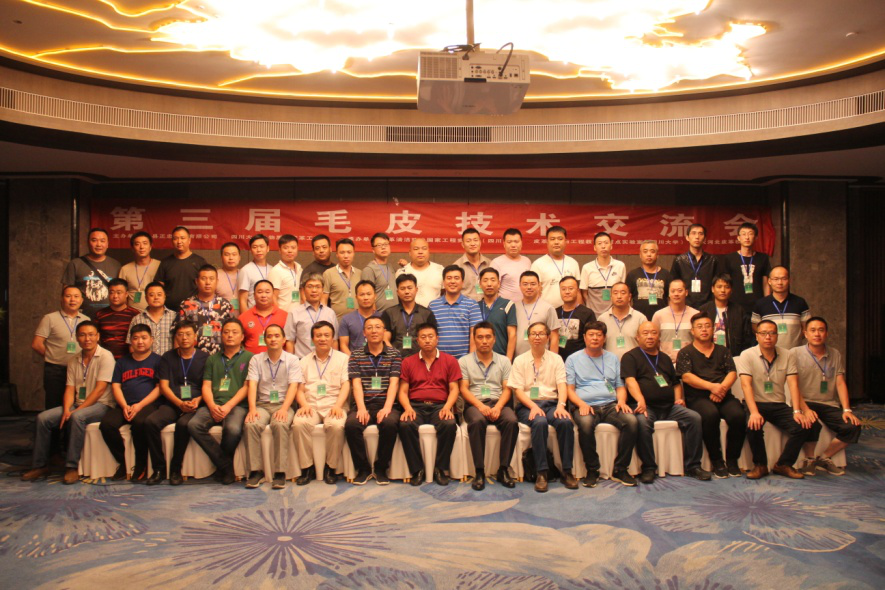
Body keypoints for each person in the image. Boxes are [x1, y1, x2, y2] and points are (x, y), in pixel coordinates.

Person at [21, 321, 115, 485]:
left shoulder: (106, 357)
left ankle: (72, 467)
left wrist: (75, 411)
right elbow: (70, 389)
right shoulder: (73, 360)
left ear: (98, 337)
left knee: (77, 417)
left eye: (91, 335)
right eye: (83, 335)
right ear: (77, 338)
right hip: (78, 404)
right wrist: (66, 410)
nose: (87, 339)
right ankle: (40, 465)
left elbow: (100, 390)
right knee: (43, 418)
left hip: (101, 404)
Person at [623, 320, 711, 484]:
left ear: (659, 336)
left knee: (694, 418)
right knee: (642, 423)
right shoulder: (630, 357)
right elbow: (630, 381)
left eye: (654, 333)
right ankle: (649, 467)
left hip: (670, 407)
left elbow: (676, 383)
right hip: (646, 407)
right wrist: (640, 400)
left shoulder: (664, 358)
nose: (650, 336)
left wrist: (678, 399)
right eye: (645, 333)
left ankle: (693, 466)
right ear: (637, 337)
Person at [738, 319, 816, 479]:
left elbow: (793, 384)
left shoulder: (787, 355)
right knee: (753, 426)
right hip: (756, 403)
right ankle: (760, 465)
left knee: (803, 426)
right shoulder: (747, 355)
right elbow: (746, 385)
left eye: (772, 333)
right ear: (757, 336)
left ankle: (783, 464)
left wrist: (797, 411)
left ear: (777, 335)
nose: (768, 337)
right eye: (763, 333)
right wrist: (754, 412)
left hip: (778, 404)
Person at [565, 321, 637, 487]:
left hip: (611, 404)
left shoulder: (612, 358)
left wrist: (621, 401)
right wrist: (581, 404)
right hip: (585, 405)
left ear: (604, 338)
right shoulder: (573, 359)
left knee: (632, 421)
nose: (595, 338)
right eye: (591, 335)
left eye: (599, 335)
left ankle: (620, 469)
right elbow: (569, 389)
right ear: (584, 337)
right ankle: (592, 470)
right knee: (585, 424)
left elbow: (620, 386)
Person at [509, 322, 577, 492]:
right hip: (527, 405)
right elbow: (518, 391)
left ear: (548, 337)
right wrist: (532, 406)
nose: (537, 337)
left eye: (541, 334)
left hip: (552, 404)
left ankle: (567, 471)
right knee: (539, 422)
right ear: (528, 337)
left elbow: (562, 385)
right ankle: (542, 472)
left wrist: (561, 406)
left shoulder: (556, 359)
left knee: (565, 422)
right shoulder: (520, 360)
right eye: (533, 333)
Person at [676, 312, 745, 478]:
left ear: (713, 329)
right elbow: (686, 377)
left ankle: (732, 460)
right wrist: (711, 387)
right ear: (692, 331)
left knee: (738, 415)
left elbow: (732, 373)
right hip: (698, 397)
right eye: (699, 327)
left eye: (707, 326)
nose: (704, 329)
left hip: (723, 394)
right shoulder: (685, 352)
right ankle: (717, 461)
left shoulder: (723, 350)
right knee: (710, 415)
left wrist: (721, 389)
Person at [792, 317, 861, 476]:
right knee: (810, 423)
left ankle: (824, 458)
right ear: (805, 334)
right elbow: (793, 385)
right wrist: (805, 409)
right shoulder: (795, 353)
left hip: (829, 403)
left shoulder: (834, 354)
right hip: (805, 402)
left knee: (852, 426)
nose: (817, 334)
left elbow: (840, 383)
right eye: (813, 330)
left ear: (827, 333)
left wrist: (847, 409)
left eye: (821, 330)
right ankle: (809, 460)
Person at [189, 318, 253, 485]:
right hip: (214, 403)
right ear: (221, 335)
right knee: (194, 425)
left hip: (237, 405)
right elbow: (206, 386)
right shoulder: (212, 359)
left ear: (242, 337)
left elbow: (247, 387)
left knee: (232, 429)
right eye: (226, 332)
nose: (230, 335)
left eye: (234, 332)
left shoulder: (250, 358)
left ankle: (222, 468)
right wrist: (212, 406)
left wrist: (228, 406)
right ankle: (225, 465)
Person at [145, 321, 209, 485]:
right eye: (180, 335)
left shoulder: (205, 358)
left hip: (196, 404)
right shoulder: (167, 357)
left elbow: (208, 386)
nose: (184, 338)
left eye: (188, 334)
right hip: (173, 403)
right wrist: (179, 403)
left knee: (183, 425)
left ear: (195, 336)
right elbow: (164, 387)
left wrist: (198, 400)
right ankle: (159, 469)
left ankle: (175, 469)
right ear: (175, 338)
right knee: (151, 422)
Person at [397, 323, 461, 486]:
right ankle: (417, 469)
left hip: (440, 406)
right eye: (423, 337)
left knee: (449, 424)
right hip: (416, 405)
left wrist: (447, 407)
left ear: (437, 339)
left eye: (430, 337)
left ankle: (440, 468)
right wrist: (407, 408)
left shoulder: (450, 360)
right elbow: (402, 391)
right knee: (405, 424)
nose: (427, 340)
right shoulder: (408, 362)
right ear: (417, 340)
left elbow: (454, 389)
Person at [459, 322, 518, 490]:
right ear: (474, 339)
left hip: (498, 402)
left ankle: (503, 469)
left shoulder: (504, 361)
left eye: (488, 337)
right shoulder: (464, 361)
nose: (484, 341)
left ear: (494, 339)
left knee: (512, 421)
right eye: (480, 337)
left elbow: (507, 389)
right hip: (475, 404)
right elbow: (463, 388)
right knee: (477, 421)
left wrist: (498, 407)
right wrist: (481, 406)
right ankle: (479, 471)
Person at [99, 324, 162, 481]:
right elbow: (116, 386)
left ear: (152, 340)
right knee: (106, 424)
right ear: (130, 341)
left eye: (144, 338)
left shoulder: (158, 360)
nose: (140, 341)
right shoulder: (122, 362)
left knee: (140, 422)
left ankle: (141, 465)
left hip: (148, 405)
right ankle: (123, 462)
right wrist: (124, 406)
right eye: (136, 338)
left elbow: (159, 388)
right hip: (125, 405)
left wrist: (139, 406)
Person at [243, 324, 302, 489]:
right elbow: (252, 385)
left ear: (283, 340)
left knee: (280, 424)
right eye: (269, 336)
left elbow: (293, 386)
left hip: (283, 404)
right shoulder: (256, 359)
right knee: (251, 424)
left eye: (277, 336)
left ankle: (280, 472)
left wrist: (284, 409)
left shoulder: (292, 360)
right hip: (262, 404)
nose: (273, 339)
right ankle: (256, 472)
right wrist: (252, 409)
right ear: (264, 340)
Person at [345, 316, 403, 485]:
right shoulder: (356, 355)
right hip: (364, 403)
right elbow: (356, 384)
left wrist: (387, 408)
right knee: (351, 425)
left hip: (386, 404)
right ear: (364, 333)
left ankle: (381, 468)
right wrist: (361, 408)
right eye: (369, 328)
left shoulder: (394, 354)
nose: (374, 331)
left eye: (378, 327)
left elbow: (394, 383)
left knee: (390, 423)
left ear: (384, 331)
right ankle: (363, 468)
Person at [291, 321, 350, 485]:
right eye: (318, 336)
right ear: (312, 339)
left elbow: (346, 385)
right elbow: (299, 388)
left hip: (334, 405)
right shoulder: (303, 361)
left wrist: (338, 406)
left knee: (336, 426)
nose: (322, 339)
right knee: (299, 424)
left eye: (326, 335)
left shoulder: (343, 359)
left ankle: (330, 467)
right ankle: (307, 468)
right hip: (311, 405)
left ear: (332, 338)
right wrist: (304, 405)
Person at [33, 286, 91, 415]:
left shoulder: (86, 320)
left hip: (79, 370)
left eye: (76, 296)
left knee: (77, 405)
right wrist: (52, 356)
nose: (72, 300)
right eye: (68, 296)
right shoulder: (49, 318)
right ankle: (54, 429)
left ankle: (71, 428)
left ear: (81, 300)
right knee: (54, 406)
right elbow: (37, 344)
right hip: (55, 370)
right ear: (61, 299)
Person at [62, 227, 121, 318]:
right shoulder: (75, 264)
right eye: (94, 240)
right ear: (88, 243)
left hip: (109, 318)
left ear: (107, 244)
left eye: (102, 241)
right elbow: (66, 294)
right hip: (81, 318)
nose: (98, 244)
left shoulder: (116, 265)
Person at [178, 264, 234, 355]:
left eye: (211, 279)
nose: (208, 282)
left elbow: (233, 331)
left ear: (217, 281)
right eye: (203, 279)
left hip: (220, 357)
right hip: (193, 356)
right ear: (196, 281)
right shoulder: (186, 305)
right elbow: (178, 333)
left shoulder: (225, 305)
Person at [429, 265, 483, 359]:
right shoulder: (433, 306)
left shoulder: (472, 304)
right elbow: (429, 333)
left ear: (462, 282)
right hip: (438, 360)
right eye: (449, 278)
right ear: (443, 282)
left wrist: (471, 360)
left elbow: (474, 334)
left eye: (456, 278)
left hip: (464, 361)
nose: (452, 281)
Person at [751, 265, 811, 350]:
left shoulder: (800, 302)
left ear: (789, 280)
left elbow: (806, 328)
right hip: (770, 352)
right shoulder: (760, 304)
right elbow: (755, 328)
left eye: (784, 278)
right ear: (769, 281)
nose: (780, 282)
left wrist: (795, 340)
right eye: (776, 279)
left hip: (795, 352)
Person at [284, 273, 340, 358]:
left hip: (326, 361)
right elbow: (290, 341)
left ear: (323, 290)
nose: (314, 290)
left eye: (318, 287)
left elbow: (334, 340)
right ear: (303, 290)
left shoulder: (330, 313)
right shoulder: (294, 313)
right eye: (310, 286)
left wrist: (334, 360)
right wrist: (291, 363)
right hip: (302, 360)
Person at [721, 221, 772, 314]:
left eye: (750, 234)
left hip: (757, 304)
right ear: (738, 238)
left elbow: (766, 283)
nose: (747, 237)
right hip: (735, 304)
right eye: (743, 234)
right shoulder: (729, 258)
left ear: (756, 237)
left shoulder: (762, 258)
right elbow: (726, 282)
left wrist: (767, 302)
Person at [381, 273, 437, 358]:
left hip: (421, 360)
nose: (406, 292)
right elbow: (385, 339)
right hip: (395, 360)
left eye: (410, 288)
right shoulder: (388, 313)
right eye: (402, 288)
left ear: (416, 290)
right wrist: (394, 356)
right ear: (397, 292)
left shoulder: (427, 313)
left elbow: (432, 339)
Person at [698, 274, 752, 358]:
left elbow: (746, 337)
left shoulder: (739, 311)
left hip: (734, 356)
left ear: (731, 290)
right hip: (708, 356)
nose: (723, 290)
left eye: (727, 287)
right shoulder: (704, 310)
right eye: (719, 287)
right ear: (712, 289)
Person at [154, 226, 207, 310]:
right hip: (169, 310)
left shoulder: (200, 262)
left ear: (189, 240)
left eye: (182, 238)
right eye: (176, 238)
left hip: (193, 310)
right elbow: (158, 287)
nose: (179, 241)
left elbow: (205, 286)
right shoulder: (165, 262)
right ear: (172, 241)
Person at [670, 223, 721, 309]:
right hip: (685, 305)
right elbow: (673, 284)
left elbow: (717, 284)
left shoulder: (712, 260)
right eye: (693, 233)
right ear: (687, 237)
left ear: (704, 238)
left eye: (700, 234)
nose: (697, 237)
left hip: (708, 305)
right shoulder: (679, 260)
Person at [532, 225, 581, 309]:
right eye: (552, 239)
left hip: (570, 312)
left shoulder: (573, 263)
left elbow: (578, 292)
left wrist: (579, 311)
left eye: (560, 239)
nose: (556, 242)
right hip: (546, 311)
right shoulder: (537, 264)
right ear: (547, 242)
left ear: (565, 241)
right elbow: (535, 292)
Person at [580, 232, 627, 317]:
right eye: (599, 243)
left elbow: (623, 290)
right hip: (593, 315)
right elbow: (584, 293)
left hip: (615, 315)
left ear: (611, 246)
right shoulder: (587, 267)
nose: (603, 246)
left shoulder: (620, 266)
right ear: (595, 247)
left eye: (606, 243)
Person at [652, 279, 699, 364]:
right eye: (673, 291)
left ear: (686, 292)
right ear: (668, 293)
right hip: (665, 362)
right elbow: (654, 340)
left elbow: (699, 340)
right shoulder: (659, 315)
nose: (676, 294)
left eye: (680, 291)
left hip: (690, 362)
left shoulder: (695, 314)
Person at [514, 271, 559, 357]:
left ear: (539, 286)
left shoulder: (548, 308)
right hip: (518, 359)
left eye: (533, 284)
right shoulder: (513, 307)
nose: (529, 287)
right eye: (525, 284)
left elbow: (554, 336)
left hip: (543, 359)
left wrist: (553, 359)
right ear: (520, 286)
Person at [597, 282, 647, 360]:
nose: (619, 296)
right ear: (611, 297)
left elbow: (645, 345)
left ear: (629, 297)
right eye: (615, 293)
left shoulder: (640, 318)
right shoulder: (602, 319)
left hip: (634, 363)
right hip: (609, 363)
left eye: (623, 293)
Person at [127, 282, 178, 355]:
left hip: (169, 361)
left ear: (164, 296)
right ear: (146, 298)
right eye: (151, 295)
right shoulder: (137, 319)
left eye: (159, 294)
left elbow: (179, 342)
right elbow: (132, 345)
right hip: (145, 361)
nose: (156, 297)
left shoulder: (174, 317)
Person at [94, 278, 140, 359]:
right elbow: (95, 338)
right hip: (104, 359)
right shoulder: (100, 314)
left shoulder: (135, 315)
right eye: (111, 292)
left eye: (119, 292)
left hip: (128, 360)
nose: (115, 296)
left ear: (126, 294)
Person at [239, 280, 288, 354]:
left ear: (273, 295)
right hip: (250, 359)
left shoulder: (285, 316)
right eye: (260, 292)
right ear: (254, 295)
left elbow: (289, 342)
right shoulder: (243, 317)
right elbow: (239, 343)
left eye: (267, 292)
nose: (264, 295)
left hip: (277, 360)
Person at [477, 267, 517, 360]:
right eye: (485, 280)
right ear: (480, 285)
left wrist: (508, 360)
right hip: (479, 358)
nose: (489, 284)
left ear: (499, 284)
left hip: (501, 358)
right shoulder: (475, 307)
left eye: (493, 280)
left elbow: (512, 334)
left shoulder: (508, 305)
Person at [626, 240, 671, 320]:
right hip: (638, 318)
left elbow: (670, 298)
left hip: (662, 318)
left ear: (657, 255)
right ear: (640, 255)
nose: (649, 254)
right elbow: (627, 298)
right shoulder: (632, 274)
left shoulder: (666, 274)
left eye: (652, 251)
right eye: (645, 251)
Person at [555, 276, 596, 363]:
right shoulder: (555, 312)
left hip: (581, 361)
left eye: (571, 288)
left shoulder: (587, 313)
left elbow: (592, 339)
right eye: (563, 289)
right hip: (558, 360)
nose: (567, 292)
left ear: (577, 290)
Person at [395, 238, 444, 307]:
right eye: (416, 249)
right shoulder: (402, 272)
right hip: (409, 313)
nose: (420, 252)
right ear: (410, 253)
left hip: (435, 312)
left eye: (424, 248)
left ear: (429, 251)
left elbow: (445, 293)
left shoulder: (440, 270)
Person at [118, 231, 159, 312]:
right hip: (132, 314)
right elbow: (121, 294)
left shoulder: (160, 266)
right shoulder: (125, 269)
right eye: (137, 244)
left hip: (155, 313)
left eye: (145, 243)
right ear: (133, 248)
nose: (141, 247)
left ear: (150, 246)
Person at [322, 238, 362, 320]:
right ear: (337, 254)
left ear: (353, 253)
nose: (346, 256)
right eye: (342, 252)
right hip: (337, 321)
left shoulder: (360, 273)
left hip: (358, 321)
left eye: (349, 252)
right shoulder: (328, 273)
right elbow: (323, 301)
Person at [339, 280, 382, 355]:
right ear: (356, 297)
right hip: (354, 360)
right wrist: (353, 360)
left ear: (375, 296)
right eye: (362, 294)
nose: (365, 298)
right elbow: (343, 345)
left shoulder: (383, 318)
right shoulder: (346, 319)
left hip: (379, 359)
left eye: (369, 294)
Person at [490, 228, 532, 303]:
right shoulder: (496, 263)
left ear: (521, 243)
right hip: (504, 306)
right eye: (509, 242)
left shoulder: (527, 261)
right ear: (504, 244)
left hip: (525, 305)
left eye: (516, 242)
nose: (513, 245)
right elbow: (491, 288)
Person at [361, 232, 399, 312]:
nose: (383, 247)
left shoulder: (390, 267)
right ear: (373, 250)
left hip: (395, 313)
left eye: (386, 244)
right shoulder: (369, 270)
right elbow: (367, 296)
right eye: (379, 245)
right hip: (379, 314)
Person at [268, 234, 303, 313]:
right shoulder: (276, 271)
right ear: (279, 250)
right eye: (286, 248)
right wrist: (279, 315)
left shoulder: (300, 269)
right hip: (283, 315)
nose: (290, 251)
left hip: (299, 315)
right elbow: (273, 297)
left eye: (293, 248)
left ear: (297, 249)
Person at [238, 234, 273, 312]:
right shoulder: (246, 270)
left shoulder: (273, 270)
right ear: (250, 250)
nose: (258, 250)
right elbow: (243, 300)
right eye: (255, 247)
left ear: (268, 248)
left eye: (261, 246)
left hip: (270, 314)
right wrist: (245, 318)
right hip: (253, 314)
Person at [455, 228, 491, 302]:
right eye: (468, 241)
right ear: (462, 244)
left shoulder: (490, 264)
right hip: (465, 306)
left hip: (487, 306)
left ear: (480, 242)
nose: (472, 244)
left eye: (475, 240)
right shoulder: (457, 266)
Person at [216, 242, 242, 315]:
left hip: (242, 318)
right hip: (221, 317)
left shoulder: (244, 274)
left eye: (234, 254)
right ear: (221, 257)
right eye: (227, 255)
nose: (231, 258)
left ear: (239, 257)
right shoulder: (215, 275)